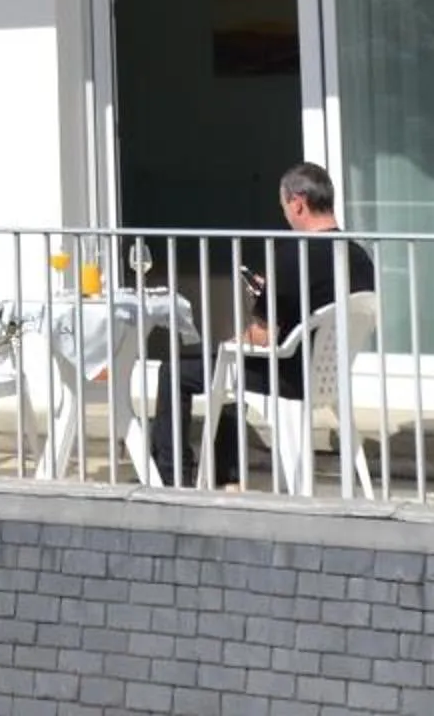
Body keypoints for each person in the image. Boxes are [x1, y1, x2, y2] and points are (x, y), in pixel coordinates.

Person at [150, 161, 377, 489]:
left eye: (284, 206)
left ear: (297, 203)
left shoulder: (293, 256)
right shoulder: (358, 256)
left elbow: (262, 336)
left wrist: (237, 338)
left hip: (286, 375)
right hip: (325, 373)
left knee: (176, 370)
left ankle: (172, 479)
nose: (285, 215)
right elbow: (316, 305)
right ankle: (225, 476)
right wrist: (271, 293)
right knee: (228, 370)